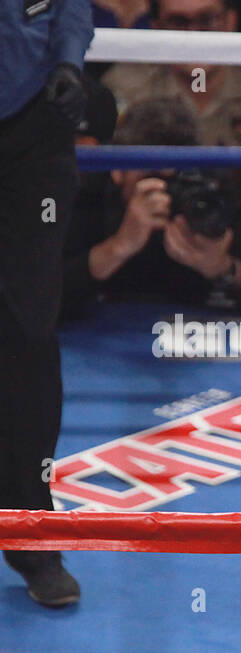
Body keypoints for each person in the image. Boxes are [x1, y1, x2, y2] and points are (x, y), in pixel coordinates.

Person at [0, 0, 93, 608]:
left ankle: (32, 536)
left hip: (33, 132)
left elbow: (70, 5)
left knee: (29, 335)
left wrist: (68, 61)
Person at [102, 0, 241, 259]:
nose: (194, 35)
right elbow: (108, 194)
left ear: (230, 21)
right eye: (179, 23)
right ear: (156, 27)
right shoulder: (124, 89)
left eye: (207, 20)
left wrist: (233, 271)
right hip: (146, 251)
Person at [62, 98, 241, 318]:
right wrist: (117, 247)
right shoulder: (87, 195)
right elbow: (42, 297)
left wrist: (222, 267)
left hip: (186, 336)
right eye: (153, 178)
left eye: (177, 178)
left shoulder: (205, 195)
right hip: (97, 337)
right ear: (118, 171)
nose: (167, 191)